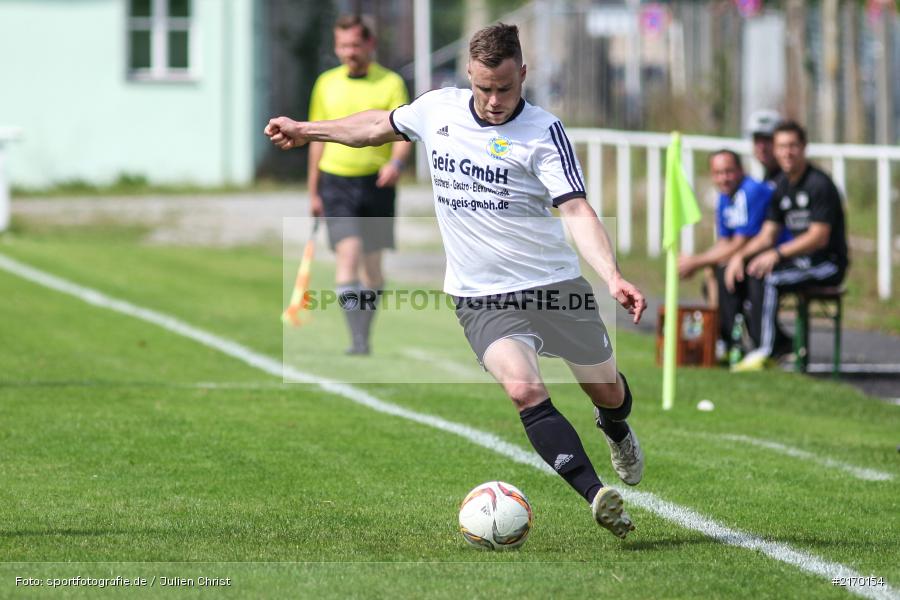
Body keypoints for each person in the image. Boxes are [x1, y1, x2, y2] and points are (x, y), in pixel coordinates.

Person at [266, 23, 646, 539]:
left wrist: (612, 275)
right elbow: (375, 126)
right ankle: (596, 494)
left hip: (554, 286)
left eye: (505, 89)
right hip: (480, 295)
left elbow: (577, 208)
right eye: (484, 88)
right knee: (523, 388)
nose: (493, 101)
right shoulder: (438, 109)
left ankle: (616, 427)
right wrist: (307, 130)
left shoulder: (544, 133)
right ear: (469, 74)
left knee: (606, 390)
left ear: (523, 75)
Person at [308, 14, 412, 355]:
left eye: (354, 44)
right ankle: (356, 339)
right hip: (336, 182)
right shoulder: (326, 83)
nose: (348, 52)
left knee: (373, 267)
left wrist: (396, 163)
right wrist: (313, 190)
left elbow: (404, 131)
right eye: (342, 46)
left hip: (377, 184)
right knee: (348, 256)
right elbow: (317, 137)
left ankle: (363, 333)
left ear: (370, 44)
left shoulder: (391, 82)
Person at [726, 120, 849, 372]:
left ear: (804, 147)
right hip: (801, 261)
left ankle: (766, 351)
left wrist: (777, 253)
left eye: (793, 145)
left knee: (770, 277)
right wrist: (740, 256)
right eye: (781, 146)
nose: (787, 152)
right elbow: (767, 234)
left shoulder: (819, 184)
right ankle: (739, 345)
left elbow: (819, 237)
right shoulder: (781, 185)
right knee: (749, 271)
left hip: (827, 263)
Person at [678, 150, 776, 358]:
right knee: (712, 272)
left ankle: (733, 341)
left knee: (726, 274)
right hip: (748, 256)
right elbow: (725, 242)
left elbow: (742, 241)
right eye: (718, 173)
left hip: (772, 255)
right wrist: (700, 262)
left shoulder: (751, 191)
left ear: (741, 170)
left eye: (729, 172)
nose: (723, 178)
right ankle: (719, 340)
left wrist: (696, 262)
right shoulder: (724, 196)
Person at [746, 109, 783, 186]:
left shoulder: (791, 180)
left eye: (767, 139)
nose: (762, 147)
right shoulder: (766, 176)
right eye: (757, 139)